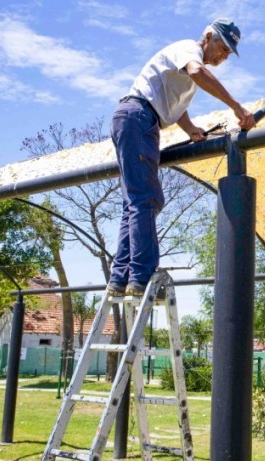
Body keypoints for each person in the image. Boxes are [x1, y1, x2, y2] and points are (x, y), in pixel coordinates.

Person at [106, 18, 256, 297]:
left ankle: (120, 278)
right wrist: (236, 107)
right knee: (147, 200)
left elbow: (173, 106)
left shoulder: (187, 74)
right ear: (208, 36)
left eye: (228, 54)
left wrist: (191, 130)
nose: (224, 57)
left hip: (137, 118)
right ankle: (141, 276)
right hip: (139, 118)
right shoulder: (189, 51)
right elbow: (196, 71)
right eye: (223, 48)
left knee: (136, 201)